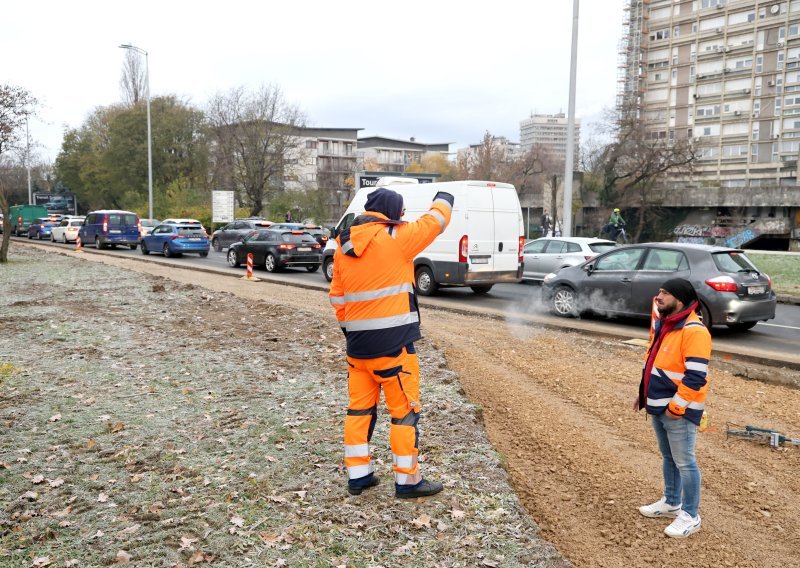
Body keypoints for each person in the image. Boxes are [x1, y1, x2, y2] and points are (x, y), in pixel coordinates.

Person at [329, 187, 454, 499]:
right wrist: (444, 198)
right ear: (392, 213)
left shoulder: (343, 247)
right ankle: (408, 481)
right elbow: (436, 221)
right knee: (404, 414)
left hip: (358, 350)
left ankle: (359, 476)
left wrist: (353, 334)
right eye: (401, 212)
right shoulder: (397, 238)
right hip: (395, 349)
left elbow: (338, 300)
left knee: (359, 411)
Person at [634, 278, 711, 538]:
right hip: (659, 406)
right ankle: (671, 503)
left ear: (680, 299)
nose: (658, 296)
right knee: (669, 458)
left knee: (685, 462)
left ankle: (690, 515)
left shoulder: (694, 331)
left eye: (665, 293)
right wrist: (643, 394)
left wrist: (676, 408)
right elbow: (654, 363)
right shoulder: (667, 324)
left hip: (679, 411)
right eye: (659, 291)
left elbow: (696, 376)